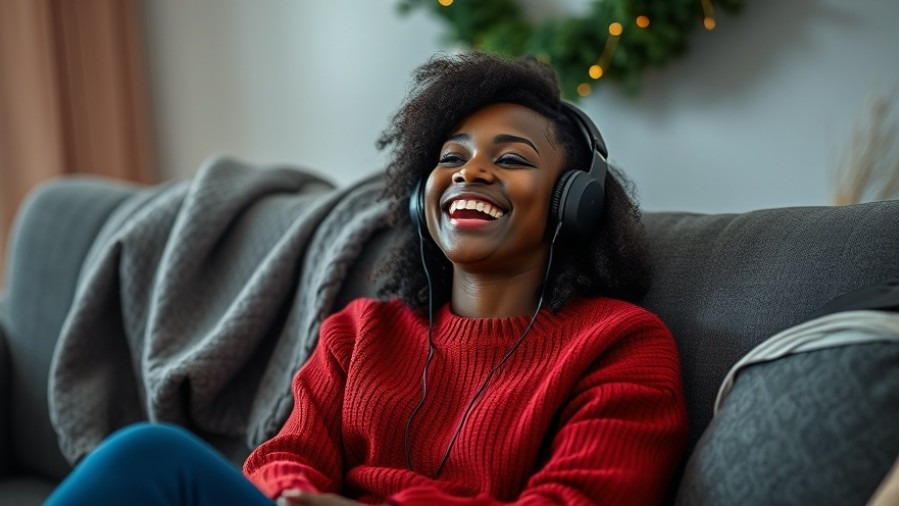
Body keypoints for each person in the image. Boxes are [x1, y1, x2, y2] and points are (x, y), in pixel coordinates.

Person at [45, 51, 688, 506]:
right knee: (147, 458)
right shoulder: (360, 333)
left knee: (152, 458)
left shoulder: (621, 346)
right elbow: (283, 457)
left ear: (574, 202)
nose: (470, 174)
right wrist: (295, 497)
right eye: (451, 159)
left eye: (512, 159)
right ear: (419, 197)